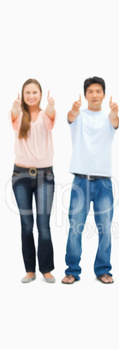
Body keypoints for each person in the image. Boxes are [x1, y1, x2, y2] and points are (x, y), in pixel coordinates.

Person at [62, 76, 119, 285]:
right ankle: (72, 270)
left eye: (98, 91)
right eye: (91, 91)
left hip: (104, 182)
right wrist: (74, 109)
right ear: (85, 94)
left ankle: (103, 270)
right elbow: (69, 117)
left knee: (105, 228)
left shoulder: (109, 117)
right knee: (75, 226)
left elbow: (116, 122)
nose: (95, 95)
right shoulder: (78, 116)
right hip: (80, 181)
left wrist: (114, 113)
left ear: (103, 94)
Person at [11, 79, 56, 283]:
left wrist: (51, 107)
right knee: (26, 224)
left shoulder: (46, 114)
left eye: (34, 92)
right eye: (27, 92)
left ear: (40, 94)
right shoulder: (18, 114)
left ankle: (46, 269)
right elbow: (14, 117)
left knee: (43, 224)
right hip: (20, 176)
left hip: (44, 176)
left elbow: (50, 120)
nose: (31, 96)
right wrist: (14, 108)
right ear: (23, 94)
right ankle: (30, 270)